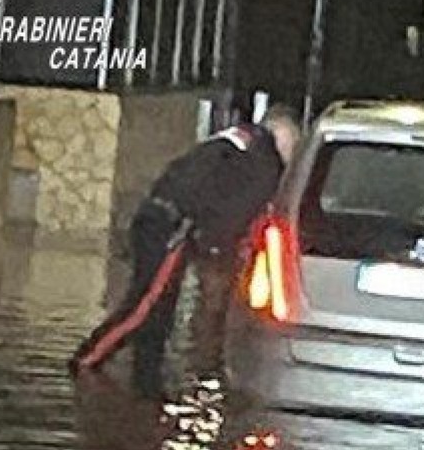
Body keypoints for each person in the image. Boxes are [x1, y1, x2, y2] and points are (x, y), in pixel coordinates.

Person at [69, 105, 302, 396]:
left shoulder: (238, 139)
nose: (292, 156)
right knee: (144, 308)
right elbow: (235, 215)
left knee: (160, 310)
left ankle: (146, 385)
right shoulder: (264, 161)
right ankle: (86, 361)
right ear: (283, 135)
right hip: (173, 227)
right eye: (293, 145)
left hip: (160, 215)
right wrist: (220, 252)